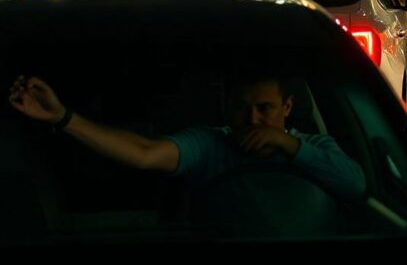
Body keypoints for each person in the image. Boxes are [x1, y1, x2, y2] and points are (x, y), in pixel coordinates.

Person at [8, 73, 366, 202]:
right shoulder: (211, 145)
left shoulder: (317, 148)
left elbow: (355, 185)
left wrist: (291, 147)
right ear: (227, 106)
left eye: (265, 108)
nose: (253, 119)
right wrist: (63, 118)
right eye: (241, 108)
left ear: (287, 107)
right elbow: (145, 153)